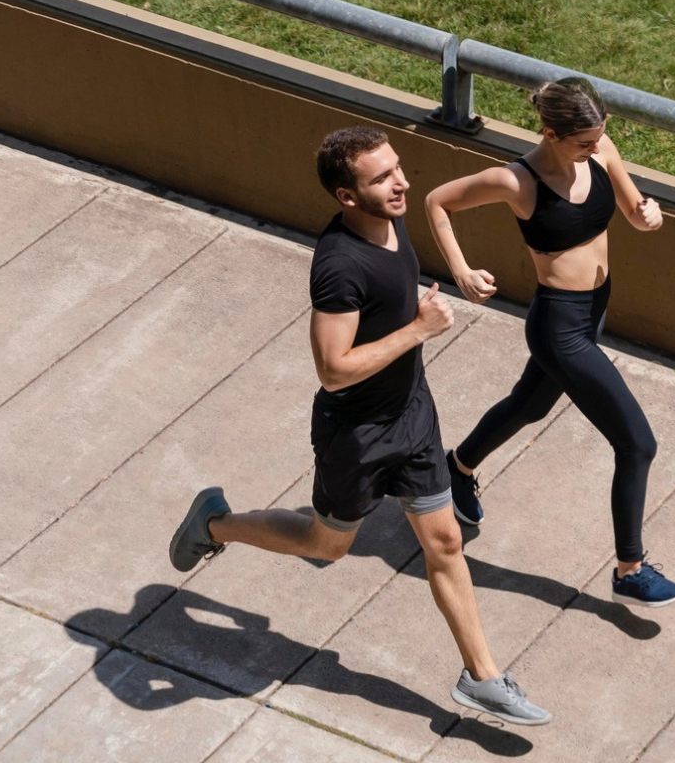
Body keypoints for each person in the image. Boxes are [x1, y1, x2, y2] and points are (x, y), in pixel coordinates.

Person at [168, 127, 549, 726]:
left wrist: (447, 283)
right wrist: (418, 330)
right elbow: (332, 369)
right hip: (358, 435)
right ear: (348, 196)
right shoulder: (339, 266)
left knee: (445, 543)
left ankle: (483, 679)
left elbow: (411, 247)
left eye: (398, 168)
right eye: (382, 178)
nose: (401, 183)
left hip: (412, 414)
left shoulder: (390, 218)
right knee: (327, 546)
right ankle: (214, 522)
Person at [424, 77, 675, 608]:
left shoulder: (601, 149)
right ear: (551, 134)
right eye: (584, 142)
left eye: (600, 136)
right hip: (559, 326)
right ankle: (630, 570)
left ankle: (457, 468)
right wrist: (461, 270)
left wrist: (649, 215)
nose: (596, 147)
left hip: (594, 308)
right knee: (637, 443)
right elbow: (437, 202)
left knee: (530, 405)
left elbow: (634, 211)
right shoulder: (517, 181)